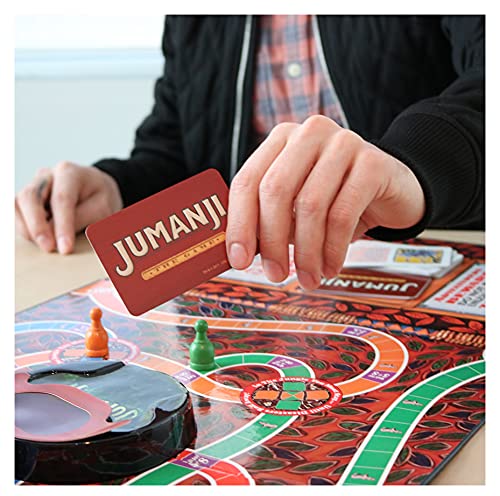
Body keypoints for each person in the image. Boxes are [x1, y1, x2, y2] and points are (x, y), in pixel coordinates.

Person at [15, 15, 484, 290]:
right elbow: (178, 150)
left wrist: (409, 167)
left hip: (438, 265)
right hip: (254, 293)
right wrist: (116, 186)